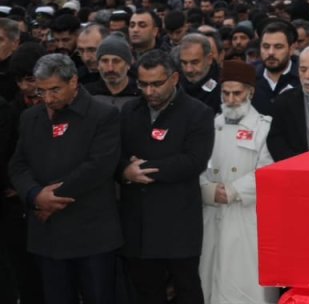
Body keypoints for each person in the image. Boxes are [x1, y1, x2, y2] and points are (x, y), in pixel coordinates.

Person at [8, 53, 122, 304]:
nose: (48, 98)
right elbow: (18, 165)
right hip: (47, 235)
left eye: (55, 90)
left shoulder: (103, 116)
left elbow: (99, 167)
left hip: (91, 235)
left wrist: (51, 199)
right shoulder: (30, 118)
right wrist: (35, 196)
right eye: (41, 91)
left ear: (73, 82)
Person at [118, 49, 216, 304]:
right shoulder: (129, 111)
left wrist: (143, 168)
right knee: (145, 292)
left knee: (187, 290)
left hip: (178, 226)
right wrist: (124, 172)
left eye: (156, 84)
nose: (149, 92)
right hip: (137, 224)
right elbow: (113, 155)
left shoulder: (198, 113)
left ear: (174, 79)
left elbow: (193, 161)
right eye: (143, 84)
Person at [198, 59, 276, 304]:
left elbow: (269, 170)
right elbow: (195, 164)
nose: (231, 99)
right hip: (212, 215)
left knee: (243, 283)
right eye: (226, 93)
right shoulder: (208, 125)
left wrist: (233, 191)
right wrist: (206, 190)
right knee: (209, 279)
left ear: (250, 92)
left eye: (237, 93)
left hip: (246, 216)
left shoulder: (264, 127)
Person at [86, 33, 140, 110]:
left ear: (128, 65)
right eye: (104, 61)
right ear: (98, 65)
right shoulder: (87, 94)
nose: (110, 68)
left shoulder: (141, 94)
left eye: (116, 61)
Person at [177, 33, 222, 114]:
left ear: (209, 59)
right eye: (184, 63)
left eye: (195, 62)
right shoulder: (174, 84)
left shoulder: (225, 84)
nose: (188, 69)